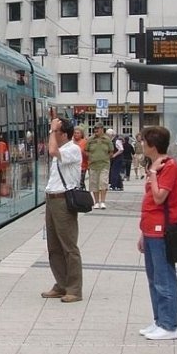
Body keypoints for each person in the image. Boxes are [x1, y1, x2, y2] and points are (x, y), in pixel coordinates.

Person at [137, 125, 177, 340]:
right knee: (154, 278)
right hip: (150, 228)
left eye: (143, 141)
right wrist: (143, 232)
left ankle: (169, 325)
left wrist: (154, 174)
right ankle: (159, 320)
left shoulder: (169, 166)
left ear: (153, 145)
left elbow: (159, 197)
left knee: (164, 278)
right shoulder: (157, 165)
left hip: (162, 229)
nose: (141, 144)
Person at [40, 117, 83, 303]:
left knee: (68, 246)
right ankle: (61, 283)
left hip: (64, 201)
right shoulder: (62, 150)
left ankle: (74, 289)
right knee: (54, 246)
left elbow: (52, 151)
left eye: (55, 132)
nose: (52, 135)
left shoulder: (72, 149)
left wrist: (52, 131)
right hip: (52, 199)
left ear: (64, 134)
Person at [85, 122, 114, 209]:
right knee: (94, 183)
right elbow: (86, 150)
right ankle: (96, 202)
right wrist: (90, 157)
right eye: (95, 128)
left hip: (104, 164)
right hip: (93, 165)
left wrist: (106, 157)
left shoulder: (107, 139)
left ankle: (103, 201)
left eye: (98, 128)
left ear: (102, 129)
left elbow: (111, 151)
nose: (96, 130)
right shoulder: (90, 139)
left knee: (103, 182)